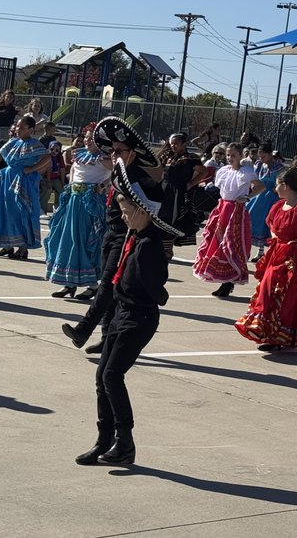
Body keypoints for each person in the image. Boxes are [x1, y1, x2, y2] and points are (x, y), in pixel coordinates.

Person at [74, 159, 179, 468]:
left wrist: (155, 296)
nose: (122, 215)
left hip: (139, 318)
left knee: (111, 375)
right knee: (102, 376)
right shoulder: (132, 237)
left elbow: (154, 286)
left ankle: (124, 443)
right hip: (122, 314)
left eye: (126, 210)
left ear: (144, 210)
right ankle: (104, 440)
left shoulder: (150, 245)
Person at [62, 116, 163, 354]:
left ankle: (83, 329)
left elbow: (153, 204)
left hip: (127, 237)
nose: (114, 155)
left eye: (119, 151)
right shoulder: (120, 172)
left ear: (132, 153)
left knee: (108, 284)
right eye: (113, 151)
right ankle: (107, 337)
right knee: (113, 289)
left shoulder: (138, 177)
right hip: (112, 233)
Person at [235, 167, 297, 352]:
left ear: (285, 185)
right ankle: (268, 332)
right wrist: (276, 236)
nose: (275, 189)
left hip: (292, 256)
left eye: (277, 185)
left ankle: (276, 336)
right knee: (267, 291)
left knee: (284, 294)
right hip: (276, 252)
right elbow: (271, 224)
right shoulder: (278, 206)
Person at [43, 126, 110, 299]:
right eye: (86, 137)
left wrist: (103, 186)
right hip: (73, 200)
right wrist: (71, 184)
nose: (87, 140)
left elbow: (119, 171)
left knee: (86, 240)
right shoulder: (79, 154)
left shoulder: (104, 158)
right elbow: (74, 169)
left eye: (91, 138)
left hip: (90, 203)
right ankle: (69, 283)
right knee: (67, 239)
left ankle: (93, 284)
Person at [193, 140, 265, 297]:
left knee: (231, 244)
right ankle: (223, 280)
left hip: (235, 211)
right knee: (218, 242)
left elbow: (260, 186)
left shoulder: (246, 172)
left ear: (240, 156)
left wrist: (247, 197)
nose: (230, 158)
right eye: (228, 155)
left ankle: (229, 282)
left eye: (233, 155)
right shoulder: (224, 170)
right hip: (223, 208)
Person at [0, 115, 50, 261]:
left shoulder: (35, 144)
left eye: (22, 127)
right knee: (5, 210)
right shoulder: (14, 142)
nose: (18, 130)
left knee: (22, 212)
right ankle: (8, 244)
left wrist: (32, 168)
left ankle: (22, 248)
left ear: (31, 129)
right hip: (8, 179)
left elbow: (47, 158)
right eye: (17, 127)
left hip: (24, 181)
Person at [157, 133, 205, 246]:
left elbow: (204, 172)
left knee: (174, 219)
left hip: (178, 193)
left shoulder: (190, 158)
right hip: (164, 191)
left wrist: (192, 183)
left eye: (176, 144)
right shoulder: (167, 156)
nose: (173, 146)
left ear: (184, 144)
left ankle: (168, 246)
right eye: (172, 143)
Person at [247, 141, 285, 263]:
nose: (261, 158)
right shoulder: (258, 165)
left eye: (264, 156)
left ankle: (262, 252)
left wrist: (276, 189)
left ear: (270, 155)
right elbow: (254, 178)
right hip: (258, 195)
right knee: (250, 216)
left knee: (266, 222)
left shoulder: (278, 167)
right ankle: (249, 249)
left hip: (270, 197)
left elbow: (282, 180)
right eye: (260, 156)